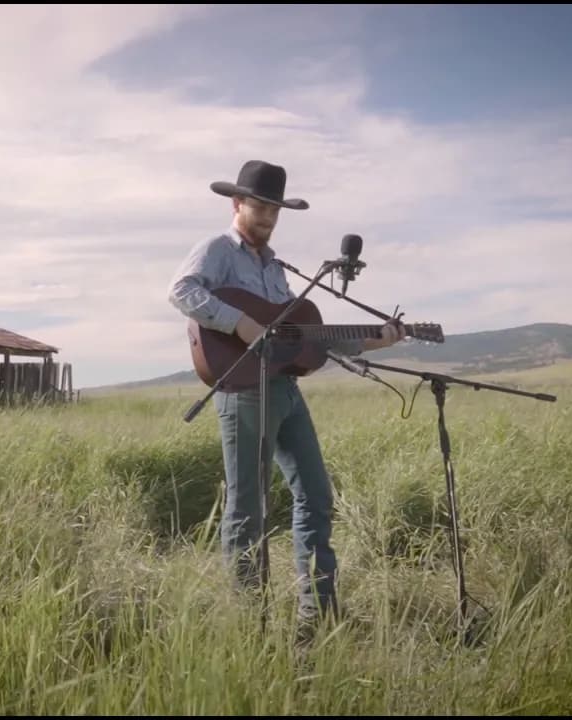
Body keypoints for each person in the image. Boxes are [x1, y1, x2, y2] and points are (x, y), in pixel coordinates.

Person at [166, 160, 404, 638]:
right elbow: (181, 291)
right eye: (260, 206)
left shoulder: (276, 268)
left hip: (285, 389)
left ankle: (316, 616)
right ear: (237, 204)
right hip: (242, 392)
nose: (268, 216)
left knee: (316, 494)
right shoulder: (217, 250)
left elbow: (302, 337)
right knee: (246, 509)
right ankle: (250, 627)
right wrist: (237, 322)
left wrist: (376, 339)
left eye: (275, 209)